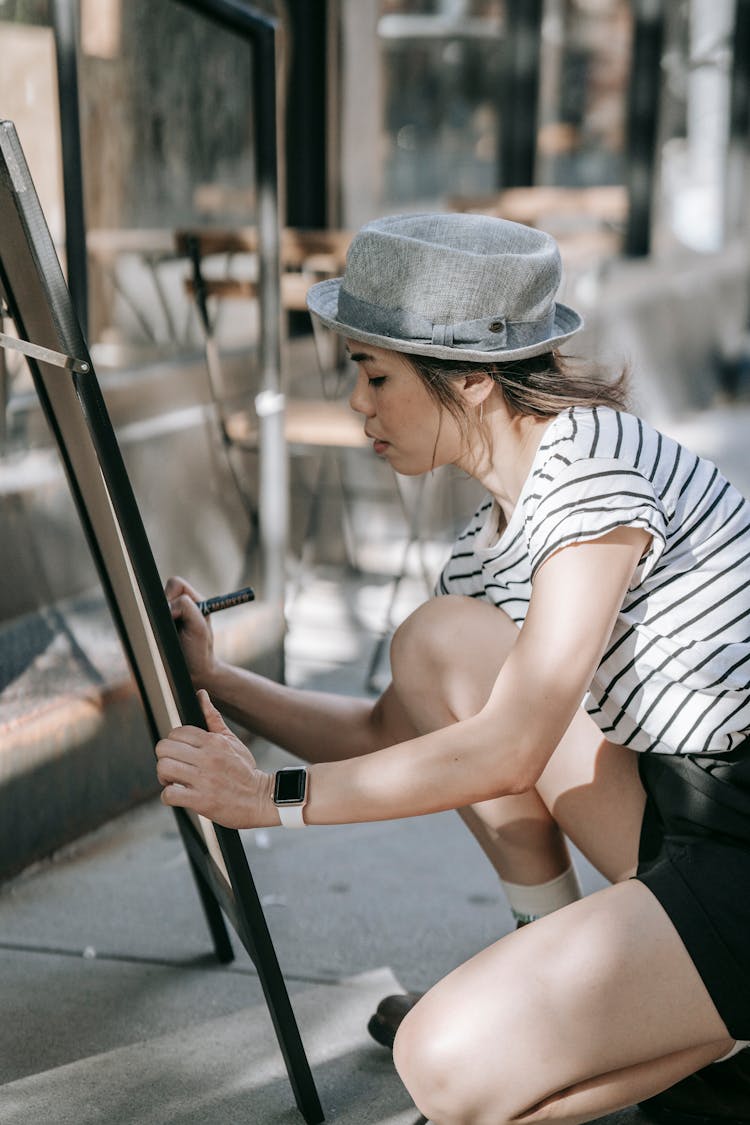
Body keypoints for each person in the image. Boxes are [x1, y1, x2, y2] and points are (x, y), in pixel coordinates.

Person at [155, 213, 750, 1125]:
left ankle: (695, 1035)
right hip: (681, 813)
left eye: (375, 373)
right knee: (437, 642)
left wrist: (268, 795)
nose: (359, 403)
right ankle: (580, 991)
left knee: (439, 1060)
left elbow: (511, 750)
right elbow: (389, 731)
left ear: (470, 379)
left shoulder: (591, 472)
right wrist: (222, 680)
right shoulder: (489, 544)